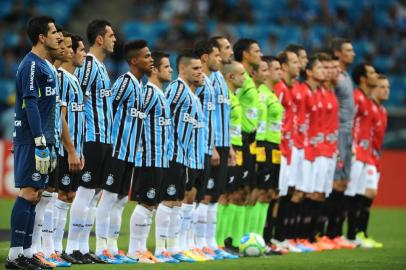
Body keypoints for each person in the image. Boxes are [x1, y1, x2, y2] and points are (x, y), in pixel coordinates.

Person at [6, 16, 59, 270]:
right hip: (31, 138)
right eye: (54, 32)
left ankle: (26, 252)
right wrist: (39, 141)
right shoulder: (31, 66)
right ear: (41, 37)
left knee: (36, 196)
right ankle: (14, 256)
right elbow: (30, 103)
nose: (58, 36)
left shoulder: (45, 66)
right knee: (27, 194)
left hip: (43, 140)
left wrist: (49, 142)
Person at [66, 19, 116, 263]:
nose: (114, 39)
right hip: (91, 138)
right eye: (111, 35)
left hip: (105, 139)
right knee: (85, 193)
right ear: (99, 39)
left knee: (95, 194)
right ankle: (73, 247)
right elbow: (76, 98)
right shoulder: (87, 65)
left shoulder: (102, 69)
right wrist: (76, 142)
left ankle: (84, 248)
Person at [155, 49, 202, 263]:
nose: (200, 72)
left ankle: (172, 248)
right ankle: (160, 249)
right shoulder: (176, 89)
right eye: (195, 68)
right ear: (182, 68)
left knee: (176, 201)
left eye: (201, 68)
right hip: (171, 153)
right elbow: (163, 115)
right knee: (168, 200)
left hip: (183, 155)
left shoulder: (191, 95)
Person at [127, 49, 172, 263]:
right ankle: (134, 250)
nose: (170, 70)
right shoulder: (148, 93)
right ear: (154, 70)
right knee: (145, 203)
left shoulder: (161, 94)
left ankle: (142, 249)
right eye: (166, 67)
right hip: (148, 158)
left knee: (151, 205)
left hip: (161, 158)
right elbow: (136, 121)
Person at [52, 34, 87, 265]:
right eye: (81, 50)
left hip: (75, 148)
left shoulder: (74, 80)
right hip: (65, 148)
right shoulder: (62, 78)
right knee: (58, 194)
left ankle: (58, 248)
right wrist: (71, 149)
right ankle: (51, 248)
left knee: (69, 195)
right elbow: (61, 116)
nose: (84, 53)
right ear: (70, 52)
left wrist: (79, 149)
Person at [327, 38, 356, 248]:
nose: (352, 53)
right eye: (348, 50)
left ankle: (336, 233)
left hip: (347, 133)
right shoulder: (335, 75)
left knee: (343, 182)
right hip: (337, 133)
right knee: (334, 183)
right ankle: (328, 233)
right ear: (337, 53)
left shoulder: (346, 76)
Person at [345, 63, 379, 246]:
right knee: (349, 195)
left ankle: (352, 236)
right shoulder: (356, 98)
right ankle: (340, 235)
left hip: (365, 154)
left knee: (358, 195)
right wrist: (350, 145)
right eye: (372, 72)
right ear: (363, 78)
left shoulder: (367, 99)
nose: (376, 75)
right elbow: (347, 122)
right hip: (355, 152)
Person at [271, 49, 302, 253]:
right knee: (275, 194)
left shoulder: (290, 88)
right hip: (279, 147)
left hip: (289, 148)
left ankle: (279, 236)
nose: (299, 65)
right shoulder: (279, 88)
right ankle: (272, 236)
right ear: (283, 67)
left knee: (285, 193)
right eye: (295, 61)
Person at [232, 38, 263, 244]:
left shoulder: (249, 78)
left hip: (251, 139)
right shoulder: (238, 76)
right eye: (257, 51)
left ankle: (241, 239)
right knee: (233, 192)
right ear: (245, 54)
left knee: (245, 191)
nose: (260, 54)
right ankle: (227, 240)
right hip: (239, 138)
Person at [355, 74, 389, 248]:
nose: (386, 90)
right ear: (374, 88)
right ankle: (357, 233)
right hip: (363, 155)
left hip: (375, 157)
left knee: (368, 195)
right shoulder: (367, 106)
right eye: (382, 87)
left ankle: (361, 233)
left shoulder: (382, 111)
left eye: (387, 87)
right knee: (367, 192)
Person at [216, 61, 246, 253]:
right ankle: (218, 241)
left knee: (233, 193)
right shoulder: (225, 96)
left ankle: (226, 240)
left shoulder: (234, 97)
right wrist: (229, 147)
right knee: (222, 195)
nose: (244, 78)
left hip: (235, 147)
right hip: (226, 148)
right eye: (241, 74)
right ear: (230, 77)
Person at [259, 56, 284, 253]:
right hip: (263, 146)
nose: (278, 72)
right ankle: (259, 237)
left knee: (271, 194)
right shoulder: (262, 95)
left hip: (274, 146)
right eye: (272, 69)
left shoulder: (272, 94)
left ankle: (265, 238)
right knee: (260, 193)